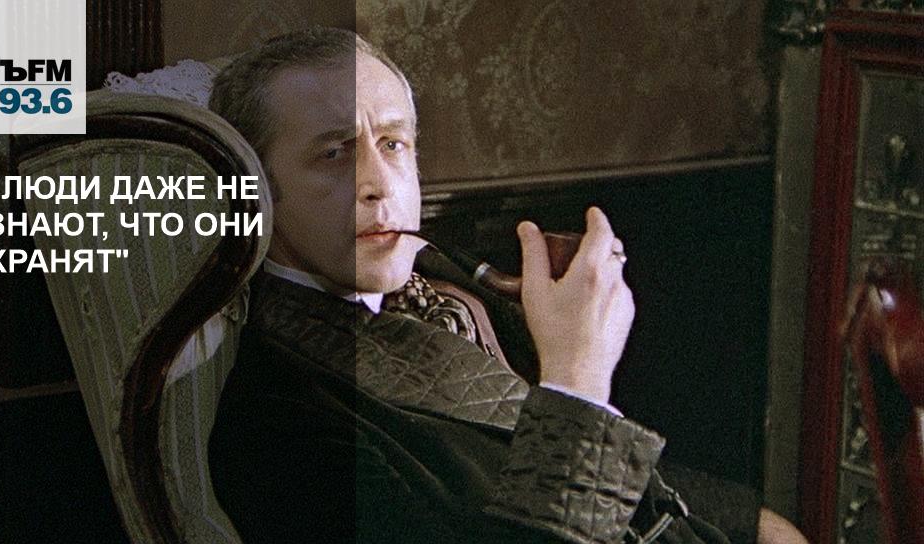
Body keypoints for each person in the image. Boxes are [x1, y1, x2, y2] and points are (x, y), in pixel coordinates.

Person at [207, 27, 806, 544]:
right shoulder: (276, 421)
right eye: (334, 153)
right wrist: (577, 376)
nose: (380, 183)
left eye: (392, 144)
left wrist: (749, 522)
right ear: (254, 192)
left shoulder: (444, 287)